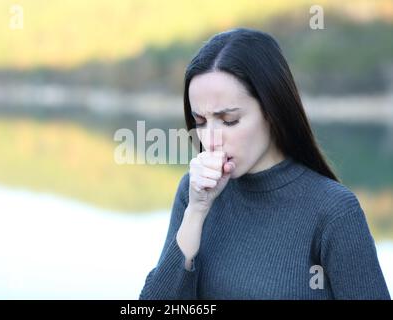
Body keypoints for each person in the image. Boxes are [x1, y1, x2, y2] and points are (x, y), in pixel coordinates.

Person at [139, 28, 390, 300]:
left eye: (229, 120)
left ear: (272, 110)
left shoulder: (333, 211)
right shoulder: (194, 193)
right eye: (200, 122)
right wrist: (197, 212)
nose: (210, 139)